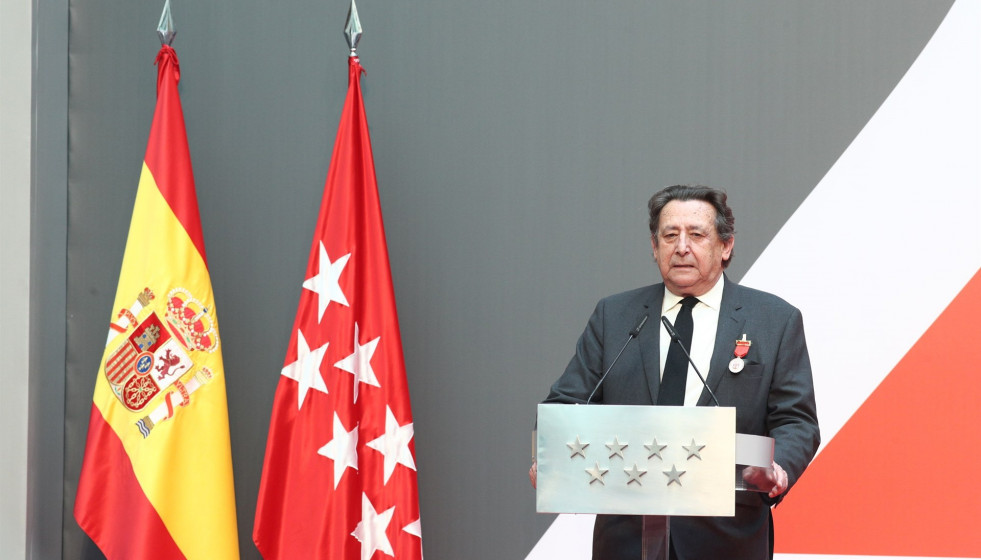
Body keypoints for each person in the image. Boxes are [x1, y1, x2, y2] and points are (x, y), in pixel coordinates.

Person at [531, 185, 819, 559]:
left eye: (696, 235)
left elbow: (797, 420)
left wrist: (777, 469)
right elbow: (567, 402)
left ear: (726, 246)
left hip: (727, 540)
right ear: (655, 247)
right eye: (670, 236)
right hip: (626, 541)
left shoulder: (774, 320)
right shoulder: (615, 316)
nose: (682, 247)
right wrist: (549, 454)